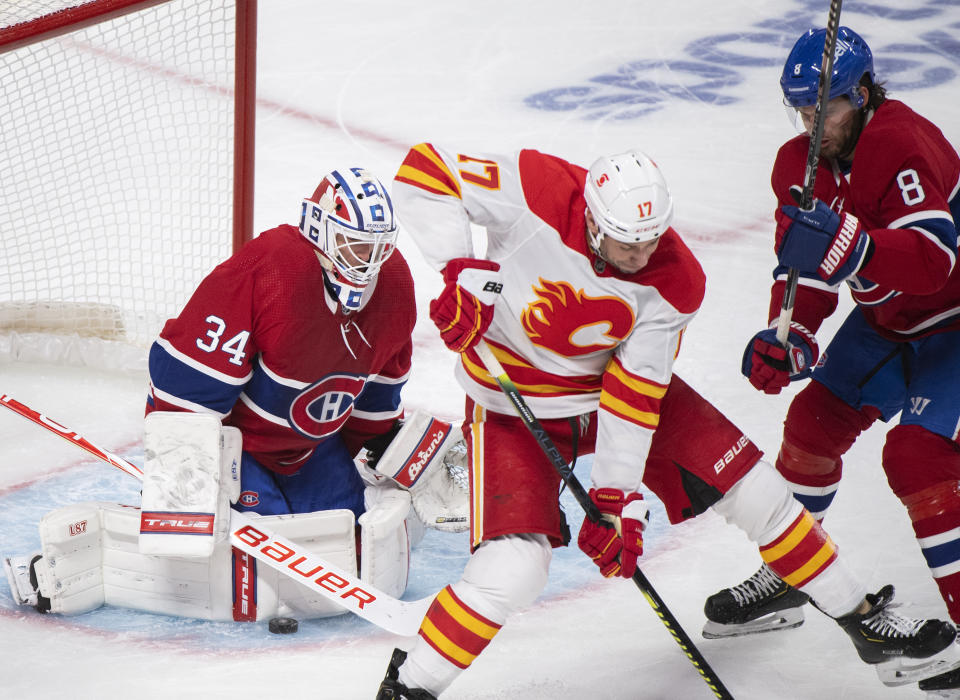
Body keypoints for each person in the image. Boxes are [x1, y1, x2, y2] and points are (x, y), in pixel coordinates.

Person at [373, 144, 959, 699]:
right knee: (513, 570)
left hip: (608, 395)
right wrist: (460, 272)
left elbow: (633, 395)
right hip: (512, 407)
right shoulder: (539, 188)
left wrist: (613, 498)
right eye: (626, 244)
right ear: (594, 221)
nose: (640, 257)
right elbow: (428, 171)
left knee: (762, 496)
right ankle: (413, 682)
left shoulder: (676, 279)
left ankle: (865, 622)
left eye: (651, 241)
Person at [4, 167, 464, 624]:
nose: (370, 262)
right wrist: (188, 469)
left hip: (312, 447)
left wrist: (384, 445)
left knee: (348, 544)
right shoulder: (270, 271)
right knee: (240, 559)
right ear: (319, 230)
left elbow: (378, 388)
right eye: (357, 245)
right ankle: (74, 563)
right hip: (241, 448)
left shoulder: (396, 285)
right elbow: (183, 383)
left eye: (381, 248)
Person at [703, 26, 960, 694]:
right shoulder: (799, 167)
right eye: (807, 113)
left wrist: (856, 247)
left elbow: (933, 262)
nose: (817, 127)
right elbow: (808, 269)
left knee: (916, 458)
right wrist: (788, 332)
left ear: (865, 94)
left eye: (830, 111)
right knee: (809, 428)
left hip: (954, 323)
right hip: (886, 326)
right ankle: (792, 574)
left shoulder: (903, 142)